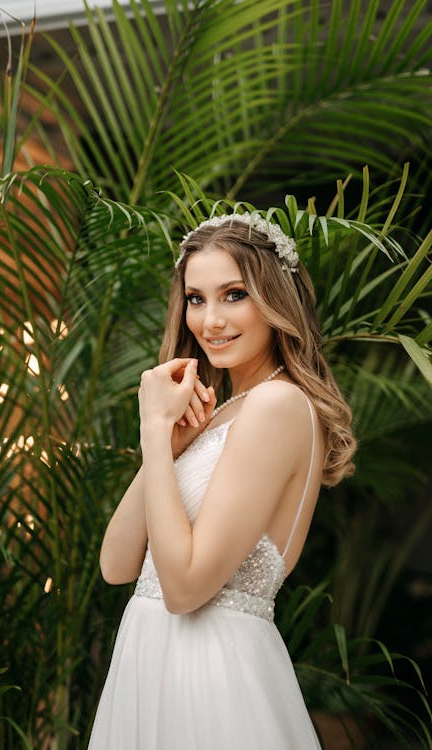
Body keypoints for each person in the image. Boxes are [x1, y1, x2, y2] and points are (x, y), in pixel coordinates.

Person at [87, 211, 356, 749]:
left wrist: (153, 425)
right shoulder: (230, 410)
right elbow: (117, 565)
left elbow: (185, 589)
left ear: (276, 299)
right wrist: (163, 447)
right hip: (153, 663)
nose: (210, 320)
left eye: (234, 294)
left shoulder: (277, 405)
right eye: (195, 298)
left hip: (209, 678)